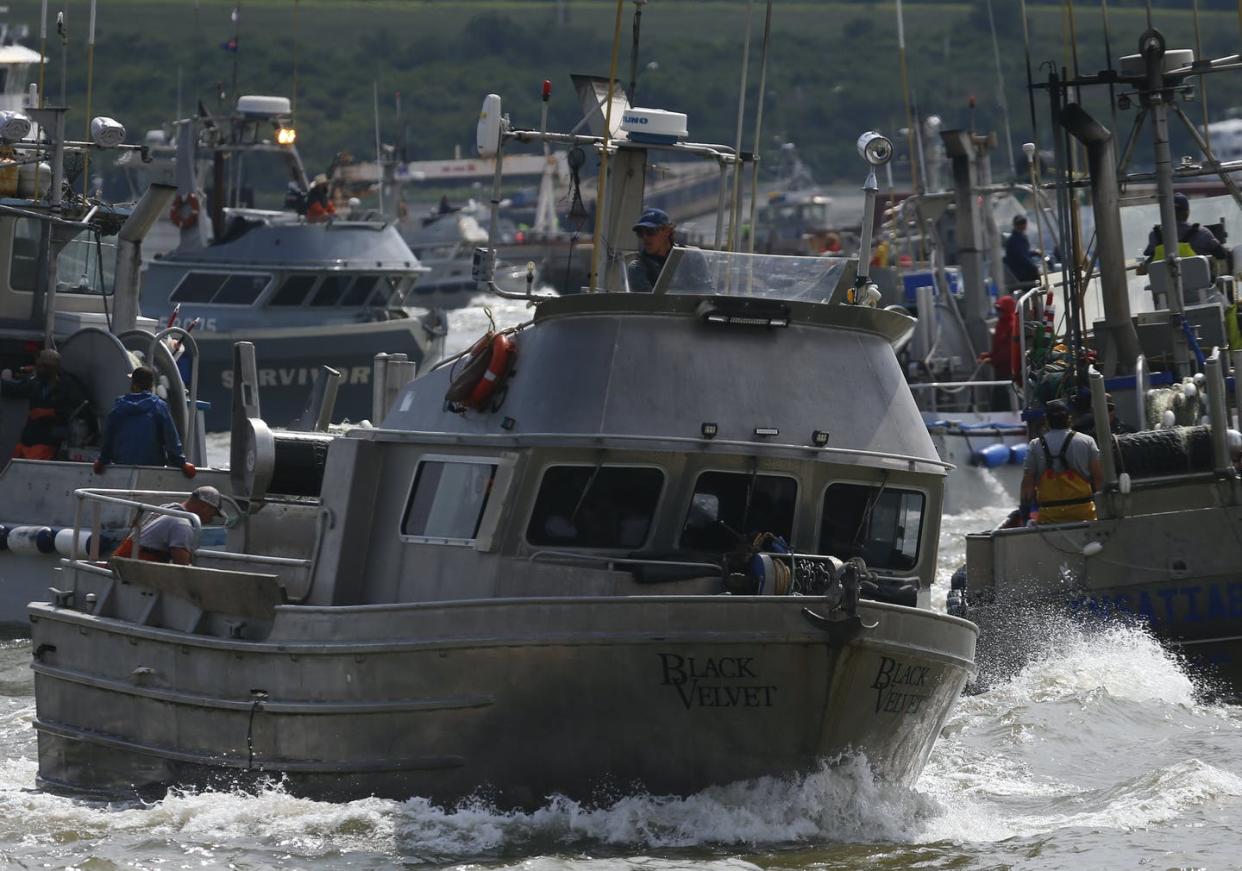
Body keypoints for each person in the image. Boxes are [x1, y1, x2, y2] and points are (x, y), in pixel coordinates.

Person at [94, 366, 196, 475]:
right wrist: (182, 463)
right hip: (153, 470)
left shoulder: (118, 408)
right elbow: (171, 439)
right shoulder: (159, 406)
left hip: (123, 468)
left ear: (133, 383)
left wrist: (102, 461)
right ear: (151, 385)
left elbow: (108, 440)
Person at [1020, 399, 1104, 525]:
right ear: (1069, 418)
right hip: (1084, 513)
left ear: (1046, 421)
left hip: (1049, 516)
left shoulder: (1035, 445)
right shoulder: (1087, 441)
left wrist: (1025, 515)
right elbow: (1099, 478)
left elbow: (1028, 483)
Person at [0, 348, 91, 460]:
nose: (37, 369)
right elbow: (16, 389)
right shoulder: (37, 382)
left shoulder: (67, 385)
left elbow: (78, 410)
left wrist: (49, 412)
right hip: (30, 437)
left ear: (49, 368)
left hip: (50, 438)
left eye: (41, 367)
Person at [114, 485, 224, 565]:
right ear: (204, 507)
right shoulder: (182, 524)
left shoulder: (167, 508)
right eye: (212, 514)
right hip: (129, 569)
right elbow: (182, 566)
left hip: (122, 561)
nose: (211, 519)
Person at [1139, 192, 1230, 273]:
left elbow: (1149, 254)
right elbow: (1221, 254)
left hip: (1164, 290)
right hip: (1199, 289)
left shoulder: (1155, 234)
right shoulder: (1203, 233)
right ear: (1187, 212)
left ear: (1167, 212)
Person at [626, 207, 711, 292]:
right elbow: (648, 302)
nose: (645, 237)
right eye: (640, 233)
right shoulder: (637, 267)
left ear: (667, 231)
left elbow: (706, 292)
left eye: (650, 231)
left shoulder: (693, 256)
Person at [977, 294, 1021, 410]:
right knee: (998, 400)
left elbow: (1009, 353)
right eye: (997, 309)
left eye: (1001, 309)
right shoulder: (1000, 324)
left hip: (1009, 372)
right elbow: (998, 349)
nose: (998, 312)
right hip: (1000, 372)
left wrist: (991, 360)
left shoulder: (1012, 325)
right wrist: (988, 356)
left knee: (1006, 400)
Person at [1003, 215, 1041, 288]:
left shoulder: (1018, 237)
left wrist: (1035, 252)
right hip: (1020, 273)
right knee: (1042, 278)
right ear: (1015, 225)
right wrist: (1035, 269)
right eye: (1020, 223)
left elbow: (1023, 253)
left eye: (1023, 222)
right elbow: (1022, 258)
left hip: (1021, 270)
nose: (1023, 224)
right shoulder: (1016, 240)